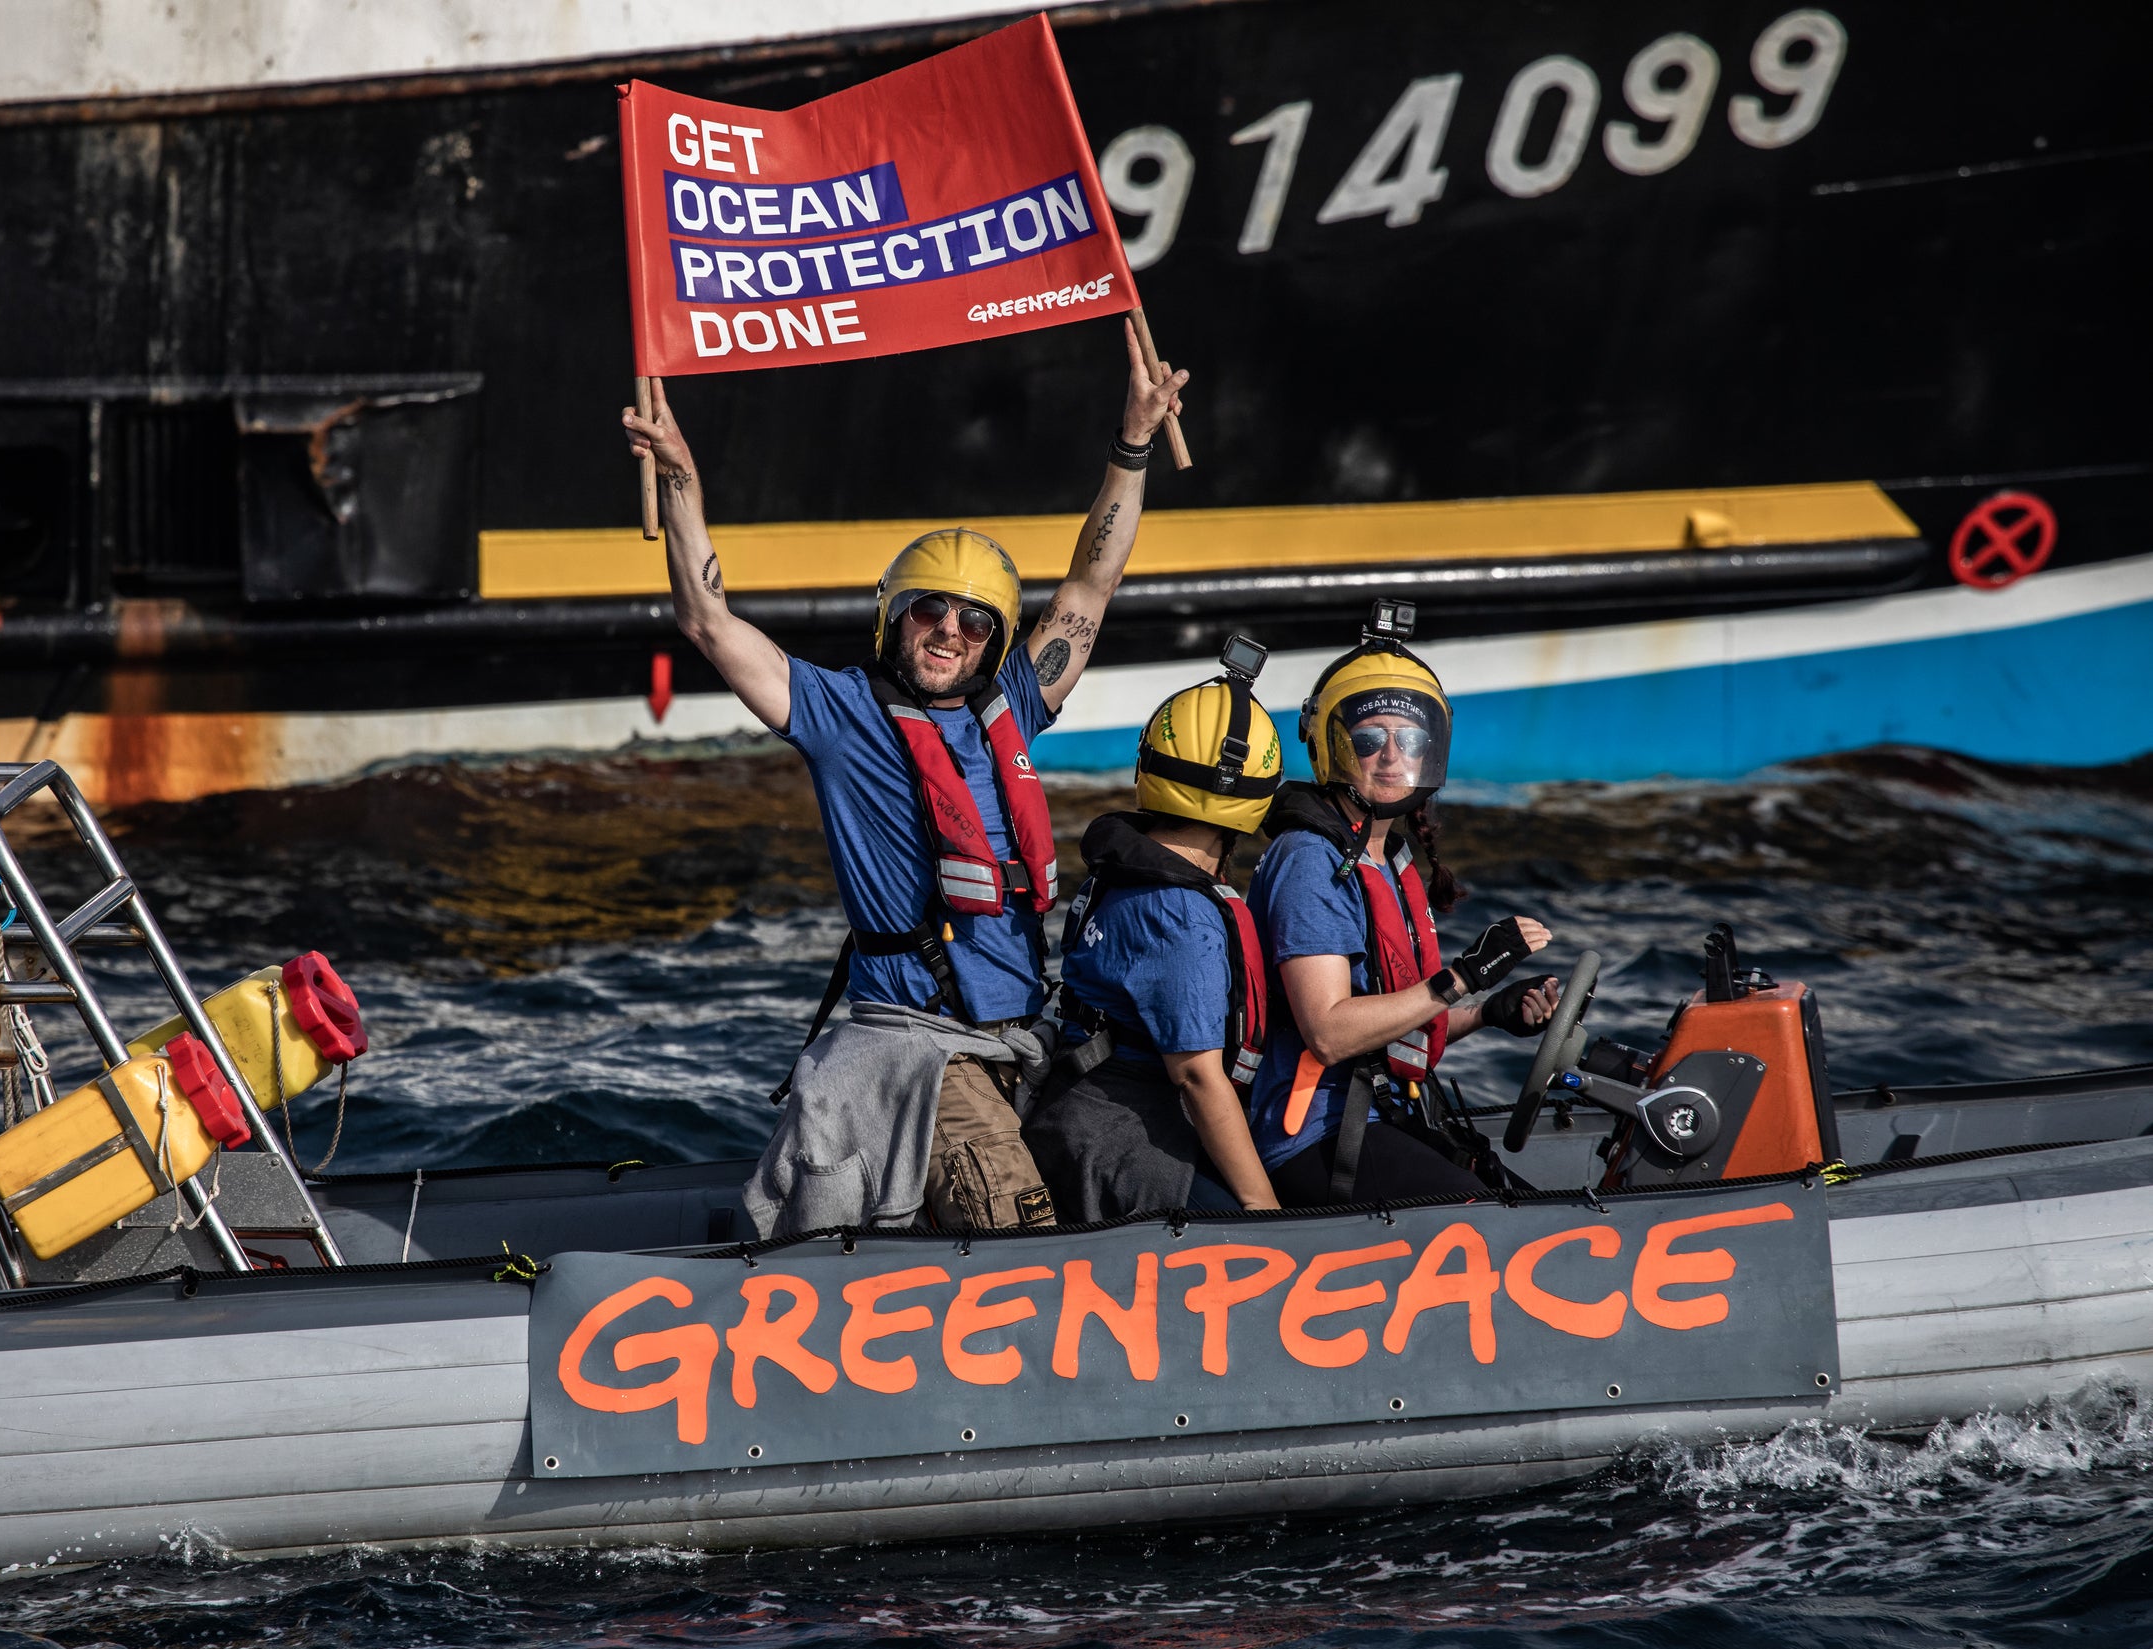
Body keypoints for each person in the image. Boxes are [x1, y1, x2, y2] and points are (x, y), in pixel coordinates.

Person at [623, 322, 1189, 1235]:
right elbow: (709, 621)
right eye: (932, 611)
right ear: (897, 617)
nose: (950, 632)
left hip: (1025, 1041)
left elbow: (1090, 587)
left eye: (974, 622)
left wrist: (1132, 442)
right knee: (1024, 1246)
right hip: (923, 1052)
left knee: (1139, 1171)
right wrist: (682, 476)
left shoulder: (1015, 703)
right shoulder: (838, 713)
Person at [1245, 603, 1561, 1206]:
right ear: (1332, 746)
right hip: (1314, 1136)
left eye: (1410, 738)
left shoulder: (1383, 857)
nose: (1392, 755)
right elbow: (1332, 1033)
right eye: (1369, 738)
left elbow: (1392, 1020)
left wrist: (1492, 1012)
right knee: (1495, 1218)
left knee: (1529, 1205)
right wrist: (1462, 977)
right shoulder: (1313, 859)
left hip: (1379, 1116)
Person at [1024, 650, 1285, 1220]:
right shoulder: (1180, 914)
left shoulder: (1128, 871)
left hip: (1075, 1115)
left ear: (1150, 766)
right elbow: (1194, 1075)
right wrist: (1263, 1206)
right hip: (1121, 1136)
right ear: (1259, 798)